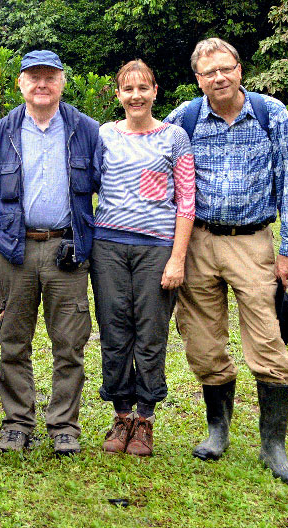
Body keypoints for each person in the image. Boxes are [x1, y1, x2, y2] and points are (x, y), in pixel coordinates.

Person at [165, 38, 288, 484]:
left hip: (253, 243)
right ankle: (217, 431)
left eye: (226, 68)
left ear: (240, 69)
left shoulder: (271, 113)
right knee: (203, 342)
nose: (219, 78)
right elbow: (144, 140)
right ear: (198, 79)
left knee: (267, 340)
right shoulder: (185, 119)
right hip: (199, 242)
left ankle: (273, 446)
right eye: (209, 73)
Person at [0, 50, 101, 455]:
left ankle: (64, 424)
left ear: (63, 81)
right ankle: (17, 422)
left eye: (50, 77)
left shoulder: (87, 130)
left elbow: (108, 187)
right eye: (34, 77)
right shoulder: (0, 132)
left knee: (69, 343)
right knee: (13, 341)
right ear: (21, 84)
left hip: (67, 249)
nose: (42, 84)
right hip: (15, 250)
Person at [92, 60, 195, 457]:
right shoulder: (103, 135)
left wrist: (177, 258)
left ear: (155, 91)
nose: (135, 95)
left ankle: (145, 419)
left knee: (150, 333)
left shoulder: (175, 138)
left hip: (157, 249)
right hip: (109, 248)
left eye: (143, 88)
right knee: (114, 330)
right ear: (117, 95)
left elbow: (186, 199)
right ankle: (121, 416)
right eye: (127, 89)